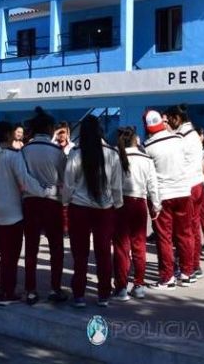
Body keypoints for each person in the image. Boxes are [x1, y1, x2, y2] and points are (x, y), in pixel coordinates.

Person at [0, 121, 49, 306]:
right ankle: (7, 291)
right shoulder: (12, 156)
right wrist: (45, 191)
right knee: (9, 257)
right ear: (7, 134)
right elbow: (25, 181)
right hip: (11, 214)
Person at [62, 115, 123, 308]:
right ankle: (103, 294)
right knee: (103, 252)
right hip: (104, 209)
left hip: (79, 208)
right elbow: (116, 186)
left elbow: (68, 183)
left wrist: (65, 202)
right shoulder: (112, 153)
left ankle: (79, 294)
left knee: (79, 254)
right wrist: (117, 205)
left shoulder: (76, 153)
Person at [142, 110, 195, 290]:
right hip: (183, 192)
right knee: (185, 234)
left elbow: (149, 177)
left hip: (163, 196)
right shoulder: (179, 139)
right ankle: (187, 273)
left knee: (164, 238)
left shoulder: (147, 147)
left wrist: (153, 203)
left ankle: (167, 278)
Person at [20, 107, 68, 305]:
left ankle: (31, 290)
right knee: (56, 248)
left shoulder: (24, 150)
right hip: (52, 203)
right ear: (49, 128)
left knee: (31, 247)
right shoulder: (57, 152)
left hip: (30, 202)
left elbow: (21, 178)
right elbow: (65, 180)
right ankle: (55, 288)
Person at [114, 126, 161, 301]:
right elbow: (153, 185)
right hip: (139, 203)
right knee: (139, 245)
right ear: (136, 139)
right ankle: (139, 284)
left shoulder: (116, 158)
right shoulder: (145, 159)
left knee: (121, 247)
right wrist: (156, 206)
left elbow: (111, 184)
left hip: (120, 204)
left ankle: (121, 286)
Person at [164, 104, 204, 280]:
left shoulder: (181, 137)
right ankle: (194, 265)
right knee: (194, 228)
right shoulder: (194, 134)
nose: (169, 123)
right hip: (198, 183)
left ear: (176, 118)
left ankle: (188, 267)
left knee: (183, 231)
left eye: (169, 120)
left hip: (186, 187)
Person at [54, 121, 75, 237]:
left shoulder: (73, 148)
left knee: (67, 207)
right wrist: (54, 136)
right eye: (60, 133)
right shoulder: (52, 146)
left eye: (64, 132)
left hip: (67, 180)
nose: (62, 135)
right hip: (54, 180)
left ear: (68, 133)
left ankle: (66, 228)